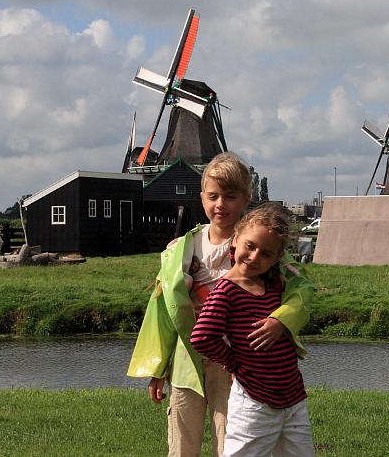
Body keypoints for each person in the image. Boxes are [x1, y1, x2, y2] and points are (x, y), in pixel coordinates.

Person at [127, 152, 314, 457]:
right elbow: (163, 309)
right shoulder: (182, 248)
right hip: (188, 355)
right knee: (182, 437)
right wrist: (158, 367)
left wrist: (281, 319)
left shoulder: (258, 245)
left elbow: (301, 288)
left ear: (245, 199)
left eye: (230, 196)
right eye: (213, 196)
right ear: (201, 197)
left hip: (236, 358)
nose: (220, 204)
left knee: (229, 437)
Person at [191, 204, 314, 456]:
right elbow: (202, 336)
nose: (255, 257)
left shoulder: (273, 285)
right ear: (235, 240)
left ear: (277, 258)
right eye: (250, 246)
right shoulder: (226, 290)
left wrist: (281, 322)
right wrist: (234, 363)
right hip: (254, 400)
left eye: (266, 254)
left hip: (292, 396)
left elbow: (304, 290)